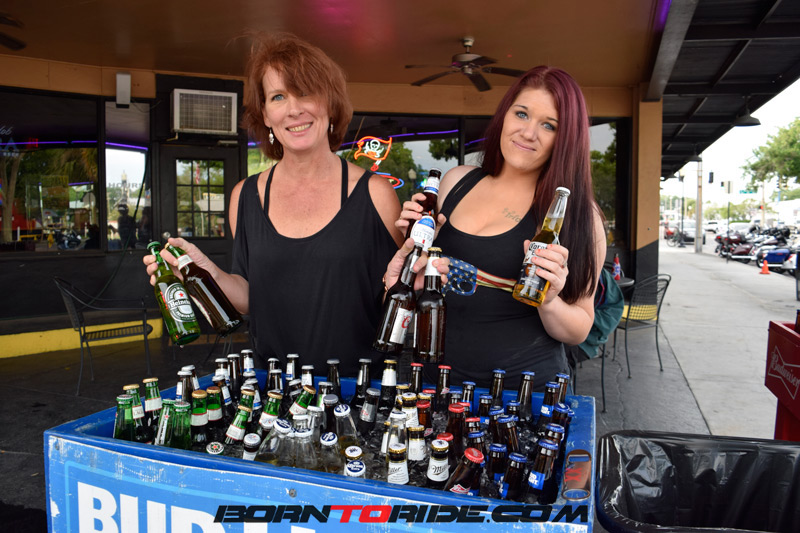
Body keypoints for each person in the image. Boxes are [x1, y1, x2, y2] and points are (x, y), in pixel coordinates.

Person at [144, 33, 444, 376]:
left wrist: (420, 275)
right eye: (278, 97)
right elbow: (249, 298)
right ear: (265, 115)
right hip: (273, 387)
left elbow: (397, 294)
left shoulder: (374, 193)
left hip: (357, 389)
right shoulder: (246, 196)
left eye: (305, 92)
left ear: (329, 103)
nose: (293, 109)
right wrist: (205, 272)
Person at [398, 66, 606, 391]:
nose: (528, 132)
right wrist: (414, 243)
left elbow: (579, 329)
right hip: (435, 381)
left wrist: (549, 300)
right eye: (521, 114)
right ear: (504, 116)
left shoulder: (577, 214)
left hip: (522, 394)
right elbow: (416, 279)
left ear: (564, 139)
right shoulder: (456, 182)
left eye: (549, 125)